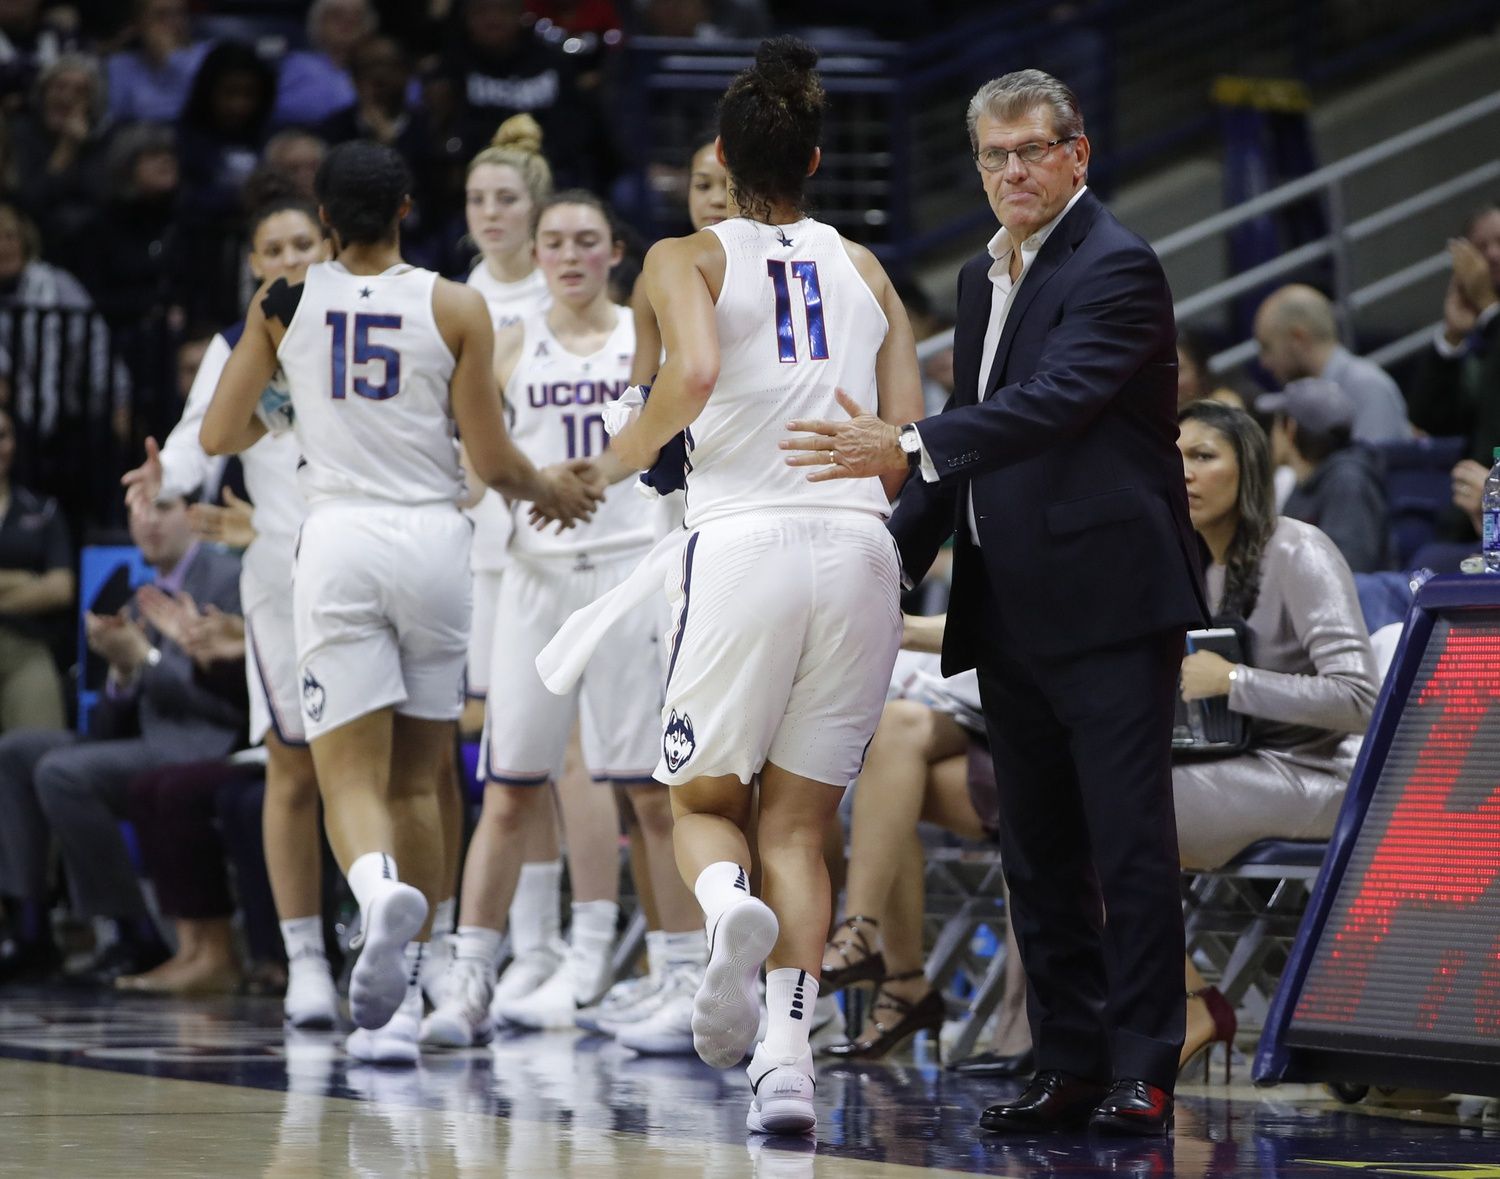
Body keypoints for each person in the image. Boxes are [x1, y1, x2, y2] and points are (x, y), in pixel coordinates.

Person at [784, 68, 1207, 1136]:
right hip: (1010, 603)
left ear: (1078, 155)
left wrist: (907, 440)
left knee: (1128, 846)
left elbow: (1049, 405)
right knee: (1038, 853)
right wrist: (883, 561)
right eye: (993, 156)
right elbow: (975, 436)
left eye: (1031, 151)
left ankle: (1144, 1065)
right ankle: (1065, 1059)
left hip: (1112, 604)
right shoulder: (982, 278)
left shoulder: (1117, 263)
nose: (1012, 171)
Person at [566, 36, 922, 1134]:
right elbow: (903, 445)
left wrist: (608, 458)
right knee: (803, 827)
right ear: (815, 162)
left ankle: (724, 915)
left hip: (747, 540)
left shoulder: (685, 256)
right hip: (862, 549)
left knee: (705, 804)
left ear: (723, 155)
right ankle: (787, 1067)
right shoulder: (866, 268)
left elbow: (697, 378)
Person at [199, 140, 601, 1064]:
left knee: (346, 773)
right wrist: (553, 491)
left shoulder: (284, 302)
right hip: (432, 539)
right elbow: (493, 462)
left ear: (326, 221)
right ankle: (411, 994)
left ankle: (375, 888)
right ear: (410, 209)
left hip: (337, 539)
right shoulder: (455, 304)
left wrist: (296, 398)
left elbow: (222, 431)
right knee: (422, 774)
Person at [121, 192, 340, 1026]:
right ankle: (306, 961)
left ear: (328, 245)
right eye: (272, 247)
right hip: (281, 576)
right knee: (292, 766)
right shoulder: (234, 345)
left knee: (391, 771)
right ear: (253, 264)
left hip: (368, 565)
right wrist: (163, 481)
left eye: (301, 242)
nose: (288, 258)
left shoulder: (367, 322)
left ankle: (418, 950)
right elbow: (191, 440)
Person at [1173, 399, 1378, 1071]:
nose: (1184, 473)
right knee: (1062, 808)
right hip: (1225, 764)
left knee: (1107, 810)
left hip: (1319, 775)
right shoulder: (1176, 555)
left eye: (1202, 456)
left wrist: (1234, 681)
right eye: (1171, 457)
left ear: (1249, 467)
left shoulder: (1298, 549)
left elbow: (1360, 699)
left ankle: (1187, 1007)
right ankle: (1178, 1002)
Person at [0, 494, 243, 986]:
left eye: (163, 507)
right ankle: (31, 925)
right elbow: (105, 730)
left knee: (63, 772)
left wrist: (148, 663)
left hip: (205, 743)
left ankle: (133, 930)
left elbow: (232, 703)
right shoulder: (138, 595)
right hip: (148, 741)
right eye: (137, 511)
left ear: (193, 516)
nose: (147, 522)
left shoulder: (228, 582)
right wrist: (122, 672)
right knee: (18, 752)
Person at [1258, 377, 1391, 573]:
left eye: (1276, 423)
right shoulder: (1305, 479)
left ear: (1290, 428)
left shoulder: (1348, 481)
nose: (1271, 434)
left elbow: (1347, 569)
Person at [1253, 283, 1410, 443]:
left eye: (1267, 347)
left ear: (1298, 339)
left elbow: (1371, 464)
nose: (1264, 362)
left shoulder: (1368, 386)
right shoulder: (1301, 397)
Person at [1405, 201, 1500, 464]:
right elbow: (1429, 421)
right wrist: (1452, 338)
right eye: (1480, 248)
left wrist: (1490, 309)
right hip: (1484, 488)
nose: (1492, 255)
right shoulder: (1478, 337)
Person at [0, 407, 73, 736]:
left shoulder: (42, 510)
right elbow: (44, 586)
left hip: (26, 645)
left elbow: (60, 588)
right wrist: (24, 580)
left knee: (41, 750)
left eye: (3, 436)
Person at [105, 0, 210, 125]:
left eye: (179, 13)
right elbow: (116, 117)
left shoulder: (208, 54)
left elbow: (201, 107)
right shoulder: (119, 64)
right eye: (162, 15)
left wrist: (171, 58)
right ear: (139, 23)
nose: (174, 22)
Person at [271, 0, 371, 129]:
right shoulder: (297, 65)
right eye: (337, 15)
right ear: (319, 23)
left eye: (358, 15)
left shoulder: (379, 68)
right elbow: (283, 108)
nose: (349, 20)